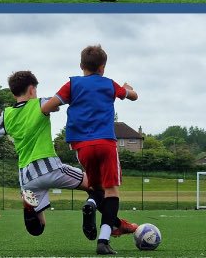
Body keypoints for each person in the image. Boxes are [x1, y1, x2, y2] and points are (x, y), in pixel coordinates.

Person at [42, 45, 141, 255]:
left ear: (81, 66)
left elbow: (47, 107)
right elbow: (134, 96)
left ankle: (90, 203)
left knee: (96, 189)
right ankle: (103, 241)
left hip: (81, 145)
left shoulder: (72, 84)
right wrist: (127, 88)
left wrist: (60, 105)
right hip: (106, 143)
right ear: (103, 67)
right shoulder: (109, 84)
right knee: (111, 191)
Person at [0, 71, 95, 237]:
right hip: (50, 168)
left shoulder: (7, 114)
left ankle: (29, 207)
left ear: (13, 92)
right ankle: (90, 207)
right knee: (96, 185)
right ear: (32, 89)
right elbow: (59, 102)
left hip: (27, 179)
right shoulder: (40, 104)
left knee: (38, 228)